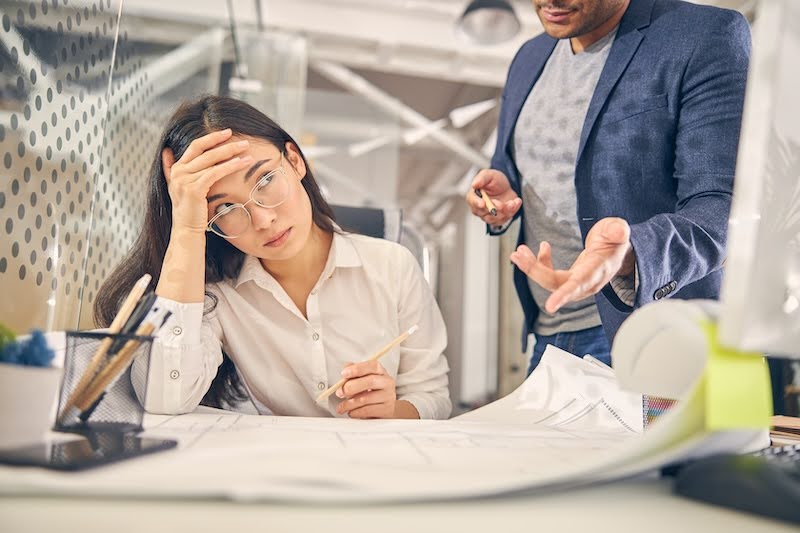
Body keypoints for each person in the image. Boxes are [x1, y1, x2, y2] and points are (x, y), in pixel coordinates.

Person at [95, 95, 451, 420]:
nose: (263, 220)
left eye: (265, 179)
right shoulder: (219, 296)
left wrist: (392, 410)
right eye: (226, 208)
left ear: (295, 160)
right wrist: (186, 228)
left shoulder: (393, 266)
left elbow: (433, 397)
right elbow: (164, 398)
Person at [465, 0, 751, 373]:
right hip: (549, 333)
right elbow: (518, 164)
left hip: (650, 334)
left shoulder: (703, 36)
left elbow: (724, 207)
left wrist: (633, 252)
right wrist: (503, 190)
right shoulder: (529, 57)